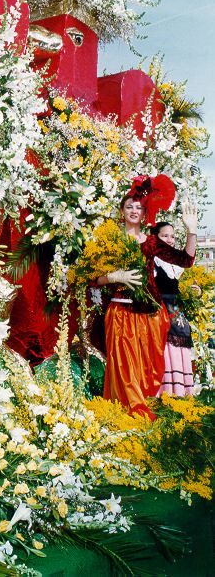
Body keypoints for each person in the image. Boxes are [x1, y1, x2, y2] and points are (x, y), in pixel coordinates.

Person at [96, 177, 197, 420]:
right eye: (129, 206)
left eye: (139, 207)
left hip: (151, 317)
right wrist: (113, 277)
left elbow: (186, 260)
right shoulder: (110, 239)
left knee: (146, 372)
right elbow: (92, 278)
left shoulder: (151, 243)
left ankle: (139, 408)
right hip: (120, 313)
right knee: (125, 369)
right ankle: (133, 414)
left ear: (145, 213)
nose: (134, 210)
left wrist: (191, 230)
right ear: (121, 210)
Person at [151, 222, 195, 397]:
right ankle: (164, 394)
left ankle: (180, 393)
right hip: (158, 313)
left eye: (173, 237)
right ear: (155, 238)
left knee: (178, 350)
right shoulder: (151, 260)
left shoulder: (176, 263)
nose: (170, 240)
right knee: (164, 352)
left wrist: (192, 291)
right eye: (165, 236)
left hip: (175, 313)